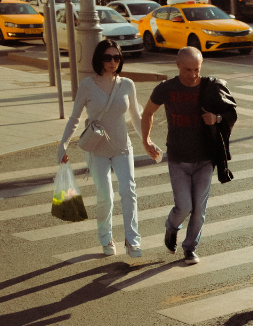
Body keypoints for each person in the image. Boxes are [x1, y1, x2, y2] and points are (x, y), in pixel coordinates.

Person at [141, 47, 237, 266]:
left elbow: (231, 112)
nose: (193, 75)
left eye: (197, 69)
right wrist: (146, 140)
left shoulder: (211, 87)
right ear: (177, 65)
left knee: (199, 210)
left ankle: (190, 248)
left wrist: (217, 118)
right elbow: (148, 113)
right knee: (184, 206)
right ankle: (171, 227)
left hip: (205, 159)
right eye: (188, 70)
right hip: (178, 159)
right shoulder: (166, 88)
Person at [58, 40, 144, 257]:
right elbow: (75, 117)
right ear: (99, 59)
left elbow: (136, 117)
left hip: (123, 147)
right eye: (108, 58)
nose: (113, 62)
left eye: (117, 57)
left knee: (128, 191)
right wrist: (63, 144)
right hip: (96, 149)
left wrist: (147, 141)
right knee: (105, 195)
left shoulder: (127, 84)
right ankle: (106, 237)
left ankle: (132, 241)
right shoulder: (87, 84)